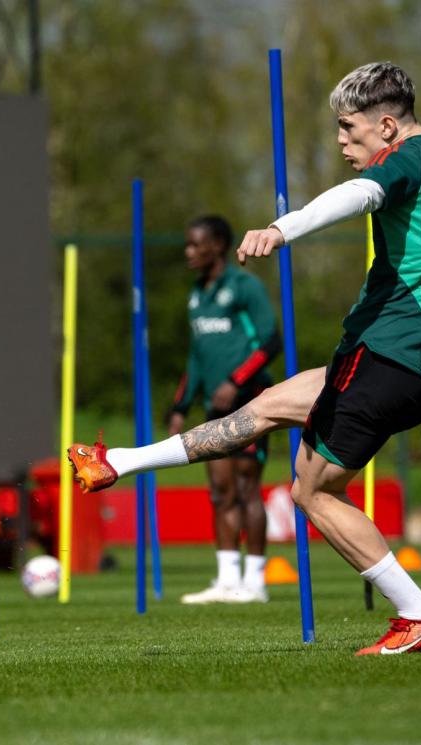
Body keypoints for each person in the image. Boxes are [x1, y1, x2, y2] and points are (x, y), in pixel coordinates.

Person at [68, 62, 421, 655]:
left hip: (391, 356)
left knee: (311, 493)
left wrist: (281, 230)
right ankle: (116, 464)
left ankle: (419, 614)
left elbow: (357, 196)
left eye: (347, 128)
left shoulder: (403, 163)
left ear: (387, 126)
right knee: (265, 408)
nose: (340, 142)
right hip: (415, 366)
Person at [169, 215, 280, 604]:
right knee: (220, 490)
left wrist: (235, 382)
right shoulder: (197, 295)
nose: (189, 252)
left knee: (249, 488)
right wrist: (180, 406)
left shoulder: (245, 286)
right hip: (213, 411)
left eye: (195, 244)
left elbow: (271, 339)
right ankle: (227, 581)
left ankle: (256, 583)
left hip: (250, 403)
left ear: (217, 246)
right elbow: (197, 356)